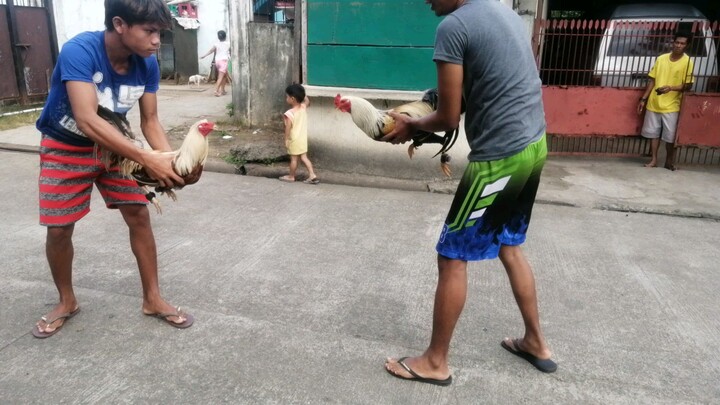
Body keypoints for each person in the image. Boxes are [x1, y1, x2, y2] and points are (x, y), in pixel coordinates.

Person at [382, 0, 556, 385]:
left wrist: (412, 127)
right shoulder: (505, 13)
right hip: (534, 144)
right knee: (509, 246)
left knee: (452, 257)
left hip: (500, 158)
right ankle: (535, 342)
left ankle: (435, 362)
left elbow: (447, 117)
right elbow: (489, 84)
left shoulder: (454, 27)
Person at [32, 0, 193, 339]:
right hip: (65, 147)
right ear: (120, 24)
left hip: (116, 148)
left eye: (159, 33)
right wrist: (146, 158)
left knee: (139, 214)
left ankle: (152, 298)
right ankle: (67, 301)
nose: (155, 41)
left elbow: (150, 120)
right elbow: (87, 119)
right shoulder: (80, 51)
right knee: (59, 228)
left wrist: (171, 161)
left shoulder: (146, 64)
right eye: (149, 31)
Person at [637, 31, 694, 171]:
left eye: (682, 43)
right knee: (653, 134)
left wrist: (671, 88)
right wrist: (643, 99)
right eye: (677, 42)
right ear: (672, 43)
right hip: (654, 102)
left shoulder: (687, 62)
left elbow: (688, 85)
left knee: (670, 136)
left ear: (686, 46)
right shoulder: (661, 58)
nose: (678, 45)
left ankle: (669, 161)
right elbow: (652, 80)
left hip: (672, 105)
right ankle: (654, 159)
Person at [279, 84, 319, 184]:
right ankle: (312, 174)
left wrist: (286, 139)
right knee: (304, 158)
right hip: (302, 139)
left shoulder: (289, 113)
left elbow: (288, 128)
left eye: (287, 96)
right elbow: (307, 101)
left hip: (294, 139)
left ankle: (291, 176)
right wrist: (303, 94)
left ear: (292, 99)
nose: (286, 98)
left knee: (294, 160)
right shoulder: (303, 107)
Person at [200, 30, 231, 97]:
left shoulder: (216, 44)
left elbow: (211, 50)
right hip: (224, 61)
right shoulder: (228, 43)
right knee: (221, 77)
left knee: (224, 76)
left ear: (218, 37)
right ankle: (216, 91)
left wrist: (204, 56)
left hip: (217, 62)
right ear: (225, 36)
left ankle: (223, 90)